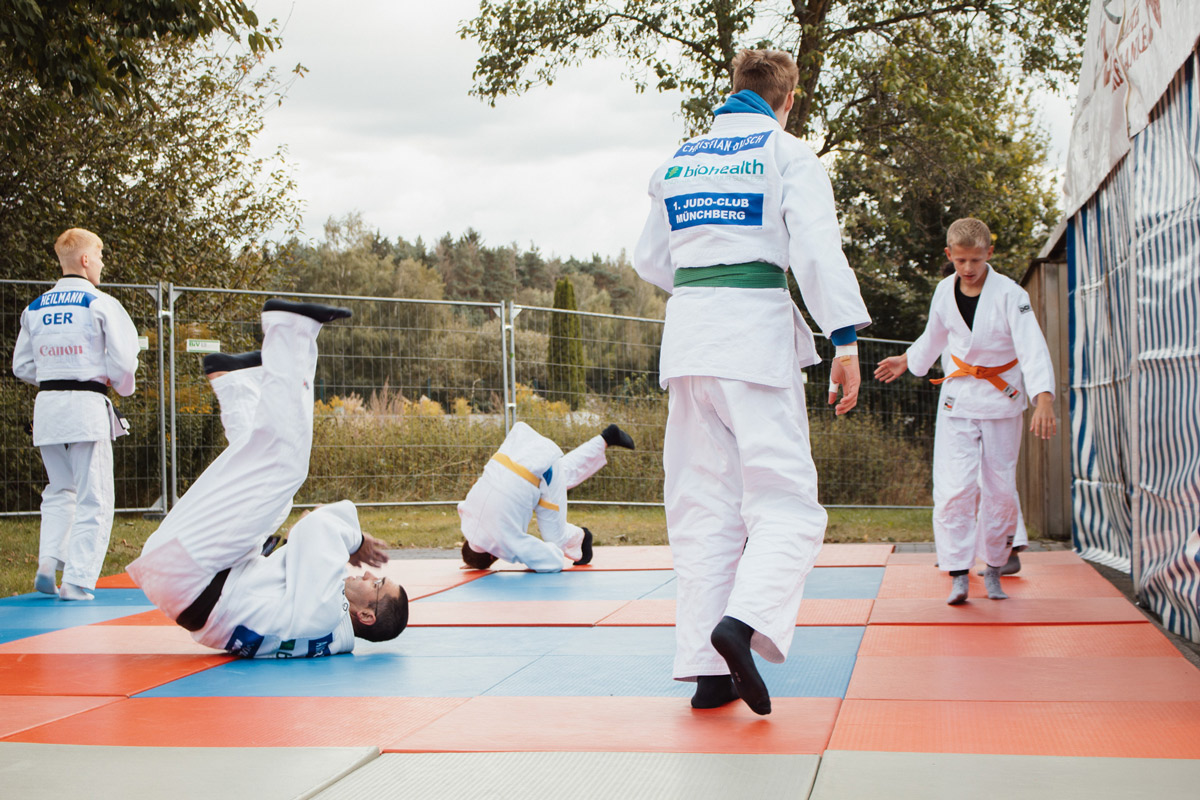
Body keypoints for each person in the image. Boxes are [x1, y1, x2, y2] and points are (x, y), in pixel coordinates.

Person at [633, 49, 871, 715]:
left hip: (688, 340)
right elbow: (817, 250)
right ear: (787, 100)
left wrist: (705, 272)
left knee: (702, 506)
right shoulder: (786, 155)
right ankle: (742, 624)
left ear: (733, 90)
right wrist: (844, 339)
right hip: (754, 337)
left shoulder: (678, 160)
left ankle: (709, 676)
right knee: (787, 500)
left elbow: (651, 260)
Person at [126, 299, 408, 657]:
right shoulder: (321, 629)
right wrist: (316, 535)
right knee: (271, 496)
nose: (369, 575)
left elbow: (315, 528)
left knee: (286, 468)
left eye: (378, 584)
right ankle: (236, 384)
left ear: (366, 615)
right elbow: (302, 532)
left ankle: (290, 329)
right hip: (192, 574)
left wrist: (354, 540)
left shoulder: (323, 615)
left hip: (195, 572)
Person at [875, 218, 1056, 604]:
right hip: (958, 399)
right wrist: (908, 360)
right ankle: (957, 571)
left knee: (1000, 490)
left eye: (975, 259)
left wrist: (1044, 398)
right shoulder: (944, 290)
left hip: (1001, 400)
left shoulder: (1011, 294)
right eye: (960, 260)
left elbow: (1032, 346)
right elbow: (934, 335)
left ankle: (993, 567)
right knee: (954, 487)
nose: (968, 268)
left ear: (989, 254)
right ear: (949, 256)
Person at [12, 228, 140, 601]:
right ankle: (78, 580)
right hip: (85, 406)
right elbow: (124, 360)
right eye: (99, 256)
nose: (101, 263)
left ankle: (48, 561)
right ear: (85, 260)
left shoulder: (35, 307)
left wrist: (55, 376)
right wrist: (119, 384)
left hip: (49, 407)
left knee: (59, 490)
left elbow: (22, 365)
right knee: (95, 496)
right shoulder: (99, 303)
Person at [458, 421, 636, 573]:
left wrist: (530, 561)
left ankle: (581, 537)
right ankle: (606, 438)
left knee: (556, 539)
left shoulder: (502, 541)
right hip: (519, 453)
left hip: (540, 473)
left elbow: (553, 561)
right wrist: (471, 560)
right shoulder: (467, 512)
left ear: (491, 554)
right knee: (561, 472)